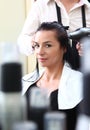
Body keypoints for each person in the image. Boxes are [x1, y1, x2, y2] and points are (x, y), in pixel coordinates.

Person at [22, 21, 83, 130]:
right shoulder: (25, 82)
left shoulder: (80, 83)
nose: (40, 52)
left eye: (48, 45)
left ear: (64, 48)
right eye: (37, 45)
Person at [17, 0, 90, 69]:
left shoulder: (88, 8)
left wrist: (87, 49)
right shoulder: (41, 5)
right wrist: (36, 42)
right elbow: (22, 41)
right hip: (50, 78)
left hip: (83, 77)